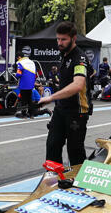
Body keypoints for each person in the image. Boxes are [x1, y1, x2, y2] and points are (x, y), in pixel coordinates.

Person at [39, 21, 93, 166]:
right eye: (58, 39)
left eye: (64, 39)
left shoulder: (80, 58)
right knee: (52, 145)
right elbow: (92, 73)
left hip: (77, 111)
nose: (60, 43)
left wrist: (51, 97)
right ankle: (53, 179)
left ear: (73, 38)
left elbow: (78, 85)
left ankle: (80, 184)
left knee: (75, 151)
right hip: (61, 108)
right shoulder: (64, 55)